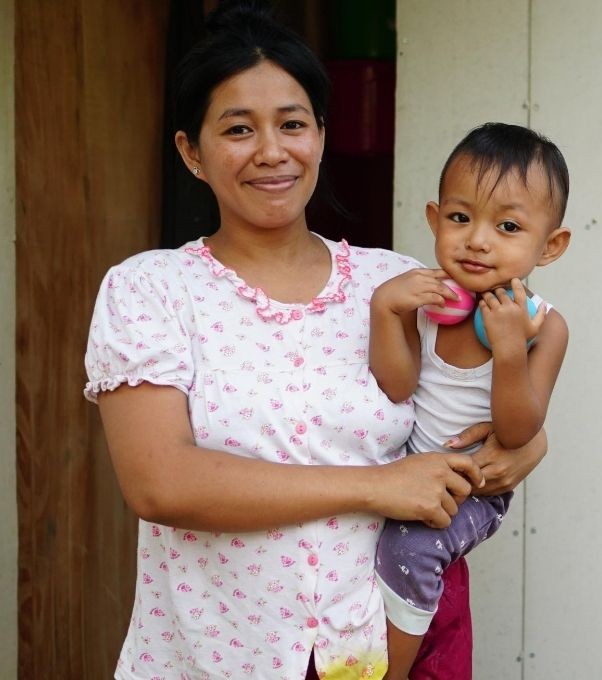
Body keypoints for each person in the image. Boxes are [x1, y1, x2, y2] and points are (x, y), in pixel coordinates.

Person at [82, 2, 546, 679]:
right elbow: (161, 482)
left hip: (382, 641)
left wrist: (526, 441)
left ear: (322, 136)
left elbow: (479, 397)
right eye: (239, 129)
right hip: (222, 654)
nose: (272, 151)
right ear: (191, 151)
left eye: (293, 124)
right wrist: (375, 486)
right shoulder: (149, 291)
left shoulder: (402, 285)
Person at [369, 123, 572, 679]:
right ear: (434, 220)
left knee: (412, 551)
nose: (478, 240)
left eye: (507, 226)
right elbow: (397, 386)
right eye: (460, 218)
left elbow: (519, 432)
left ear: (549, 246)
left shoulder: (545, 329)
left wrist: (509, 350)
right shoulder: (426, 300)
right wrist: (387, 312)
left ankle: (390, 672)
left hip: (474, 489)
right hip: (406, 470)